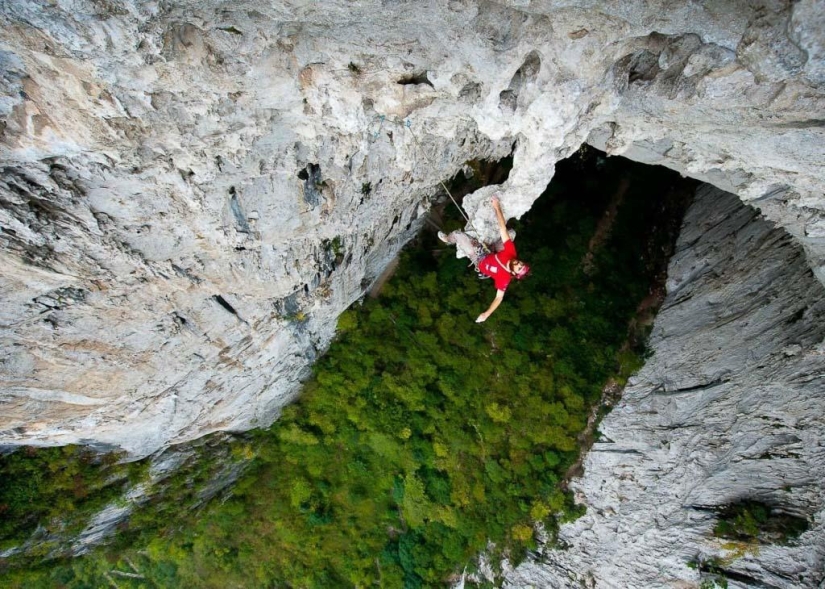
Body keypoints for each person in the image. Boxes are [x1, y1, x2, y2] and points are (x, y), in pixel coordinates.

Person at [438, 195, 530, 323]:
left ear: (514, 273)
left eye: (519, 267)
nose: (519, 263)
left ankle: (448, 240)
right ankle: (492, 247)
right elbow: (502, 229)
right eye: (521, 263)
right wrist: (496, 206)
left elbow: (499, 298)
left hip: (480, 258)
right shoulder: (511, 253)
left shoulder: (504, 279)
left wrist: (486, 314)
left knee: (457, 234)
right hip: (494, 253)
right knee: (511, 233)